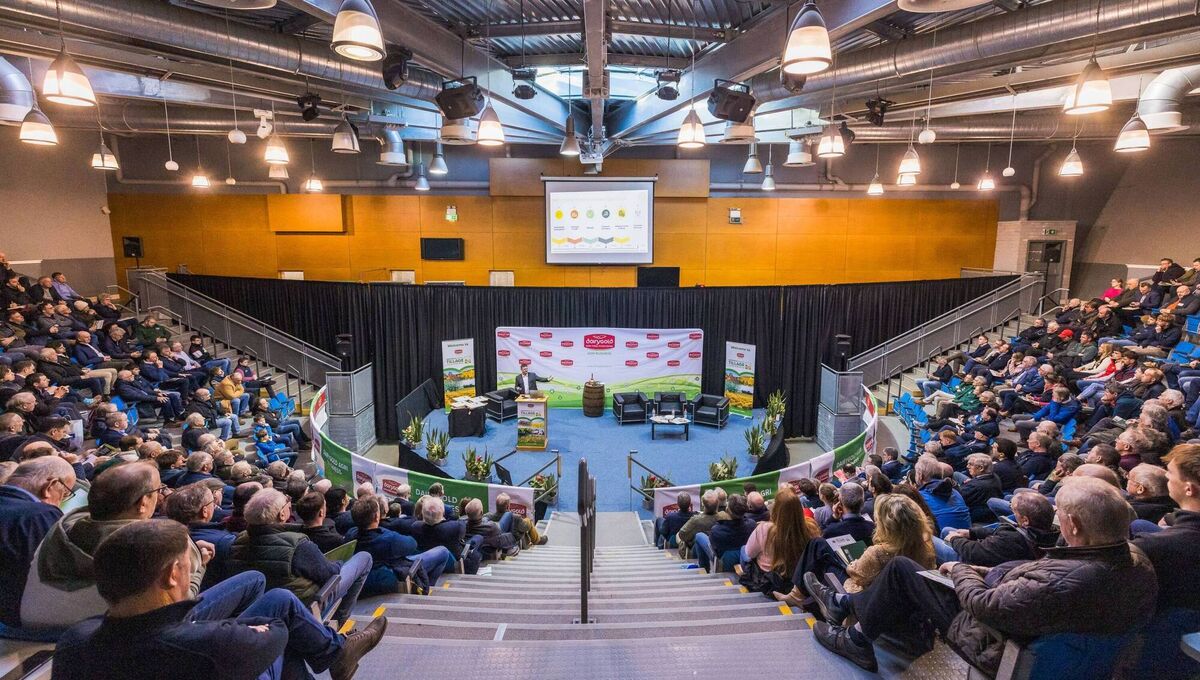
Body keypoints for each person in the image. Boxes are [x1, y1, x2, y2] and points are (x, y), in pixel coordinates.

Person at [806, 476, 1158, 675]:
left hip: (990, 640)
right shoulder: (1136, 563)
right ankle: (844, 606)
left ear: (1074, 525)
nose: (1055, 518)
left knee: (899, 568)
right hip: (1043, 639)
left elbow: (984, 605)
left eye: (1059, 513)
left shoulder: (1068, 579)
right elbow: (1037, 588)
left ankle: (855, 635)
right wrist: (985, 571)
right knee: (914, 571)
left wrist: (961, 570)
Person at [50, 519, 386, 680]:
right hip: (217, 651)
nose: (193, 567)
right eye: (189, 563)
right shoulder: (210, 642)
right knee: (290, 626)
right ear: (170, 576)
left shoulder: (74, 641)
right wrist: (238, 629)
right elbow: (279, 632)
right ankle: (336, 652)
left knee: (279, 595)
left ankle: (338, 652)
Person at [20, 460, 209, 631]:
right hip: (107, 634)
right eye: (158, 490)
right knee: (239, 586)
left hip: (32, 627)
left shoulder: (61, 527)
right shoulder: (154, 543)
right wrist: (200, 564)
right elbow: (181, 603)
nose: (160, 496)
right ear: (143, 502)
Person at [224, 489, 372, 624]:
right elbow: (331, 573)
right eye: (287, 505)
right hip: (303, 609)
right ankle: (337, 624)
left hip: (259, 612)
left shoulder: (237, 541)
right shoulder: (297, 544)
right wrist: (338, 562)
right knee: (364, 558)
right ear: (282, 514)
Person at [1131, 444, 1200, 678]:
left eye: (1170, 473)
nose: (1166, 477)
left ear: (1189, 489)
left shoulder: (1154, 547)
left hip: (1170, 627)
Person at [0, 457, 76, 632]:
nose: (62, 501)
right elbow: (59, 575)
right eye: (65, 494)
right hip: (18, 628)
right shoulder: (39, 515)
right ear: (50, 486)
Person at [348, 494, 450, 595]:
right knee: (443, 551)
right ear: (376, 516)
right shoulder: (388, 539)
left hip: (371, 578)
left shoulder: (350, 535)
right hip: (392, 573)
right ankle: (425, 588)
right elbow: (412, 544)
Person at [941, 491, 1058, 567]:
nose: (1013, 512)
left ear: (1025, 520)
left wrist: (954, 539)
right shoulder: (1052, 533)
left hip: (975, 565)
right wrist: (972, 533)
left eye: (1014, 511)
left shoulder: (1012, 539)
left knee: (942, 533)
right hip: (996, 554)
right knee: (948, 530)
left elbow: (975, 552)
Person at [738, 488, 818, 596]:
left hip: (770, 579)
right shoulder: (810, 527)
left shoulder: (764, 529)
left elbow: (750, 554)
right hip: (796, 577)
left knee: (744, 550)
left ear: (776, 509)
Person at [694, 494, 755, 573]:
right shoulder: (752, 525)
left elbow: (715, 550)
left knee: (699, 536)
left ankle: (704, 569)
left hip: (723, 560)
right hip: (743, 556)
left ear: (728, 509)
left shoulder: (717, 530)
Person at [914, 457, 970, 532]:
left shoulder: (920, 496)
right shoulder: (954, 491)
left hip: (942, 540)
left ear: (920, 475)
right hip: (967, 535)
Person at [676, 489, 720, 559]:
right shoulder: (723, 517)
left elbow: (682, 535)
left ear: (703, 504)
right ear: (718, 504)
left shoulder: (696, 520)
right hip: (717, 550)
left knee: (678, 535)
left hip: (696, 553)